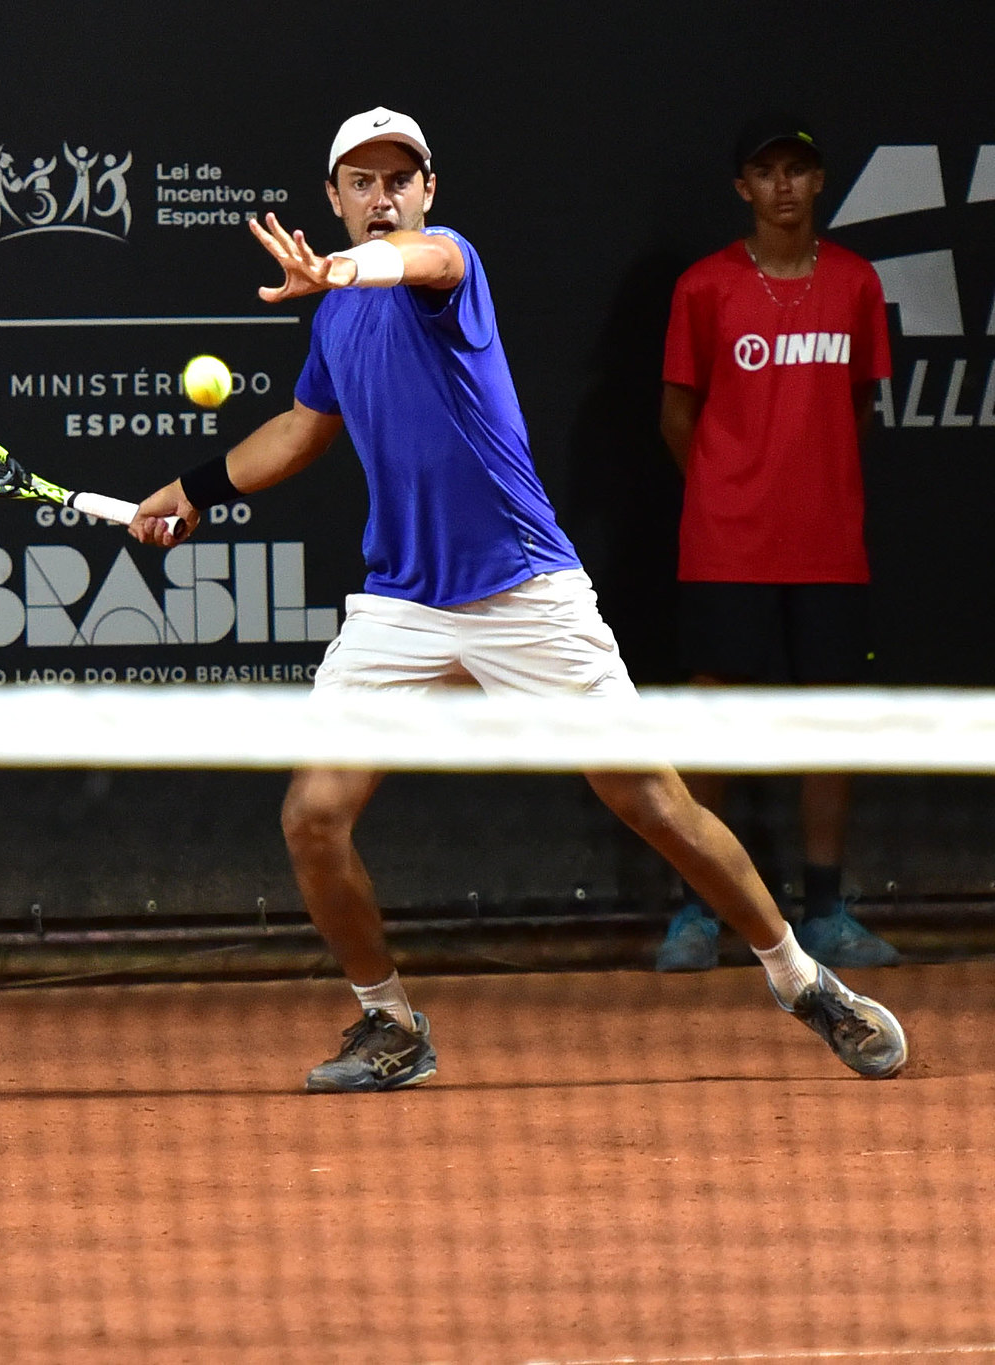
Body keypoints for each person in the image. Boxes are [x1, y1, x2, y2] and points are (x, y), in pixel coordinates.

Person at [127, 107, 906, 1095]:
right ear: (331, 198)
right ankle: (387, 1023)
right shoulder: (333, 317)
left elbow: (415, 266)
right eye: (359, 183)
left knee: (652, 803)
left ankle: (800, 981)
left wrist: (344, 266)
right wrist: (193, 490)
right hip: (400, 603)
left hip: (525, 589)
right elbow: (300, 427)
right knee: (311, 816)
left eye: (397, 180)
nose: (381, 198)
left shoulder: (446, 264)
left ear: (427, 191)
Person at [654, 115, 899, 974]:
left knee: (828, 720)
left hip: (829, 545)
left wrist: (809, 486)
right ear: (743, 188)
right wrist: (732, 492)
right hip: (726, 545)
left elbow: (860, 408)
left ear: (820, 181)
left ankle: (828, 910)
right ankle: (697, 910)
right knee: (714, 718)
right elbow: (676, 415)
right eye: (766, 172)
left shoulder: (859, 285)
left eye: (798, 170)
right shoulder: (704, 287)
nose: (784, 186)